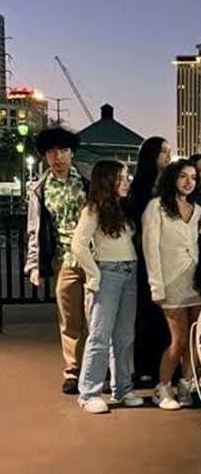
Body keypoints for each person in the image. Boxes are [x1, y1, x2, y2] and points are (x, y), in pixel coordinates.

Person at [142, 159, 201, 410]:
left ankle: (186, 383)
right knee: (179, 339)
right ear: (173, 178)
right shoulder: (157, 208)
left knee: (196, 338)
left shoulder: (198, 210)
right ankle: (163, 387)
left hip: (197, 283)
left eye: (193, 177)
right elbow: (150, 248)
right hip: (170, 282)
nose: (189, 182)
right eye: (183, 176)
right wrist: (156, 285)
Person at [71, 161, 143, 413]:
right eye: (121, 177)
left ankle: (122, 388)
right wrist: (94, 275)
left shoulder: (121, 207)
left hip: (129, 271)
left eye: (126, 177)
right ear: (107, 180)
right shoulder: (93, 209)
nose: (126, 181)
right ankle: (89, 392)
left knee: (124, 336)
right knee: (100, 336)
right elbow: (78, 244)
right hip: (109, 273)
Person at [25, 126, 89, 394]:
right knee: (70, 318)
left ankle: (97, 367)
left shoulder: (87, 181)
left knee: (97, 316)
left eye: (63, 150)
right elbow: (34, 229)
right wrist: (33, 264)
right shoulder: (39, 189)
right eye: (52, 152)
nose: (58, 157)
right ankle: (74, 370)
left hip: (94, 258)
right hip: (63, 259)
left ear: (72, 152)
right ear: (45, 156)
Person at [128, 136, 172, 387]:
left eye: (169, 151)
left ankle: (165, 367)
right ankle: (144, 368)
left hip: (168, 258)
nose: (167, 156)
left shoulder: (169, 186)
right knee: (145, 314)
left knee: (166, 314)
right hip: (144, 258)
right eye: (163, 151)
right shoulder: (140, 188)